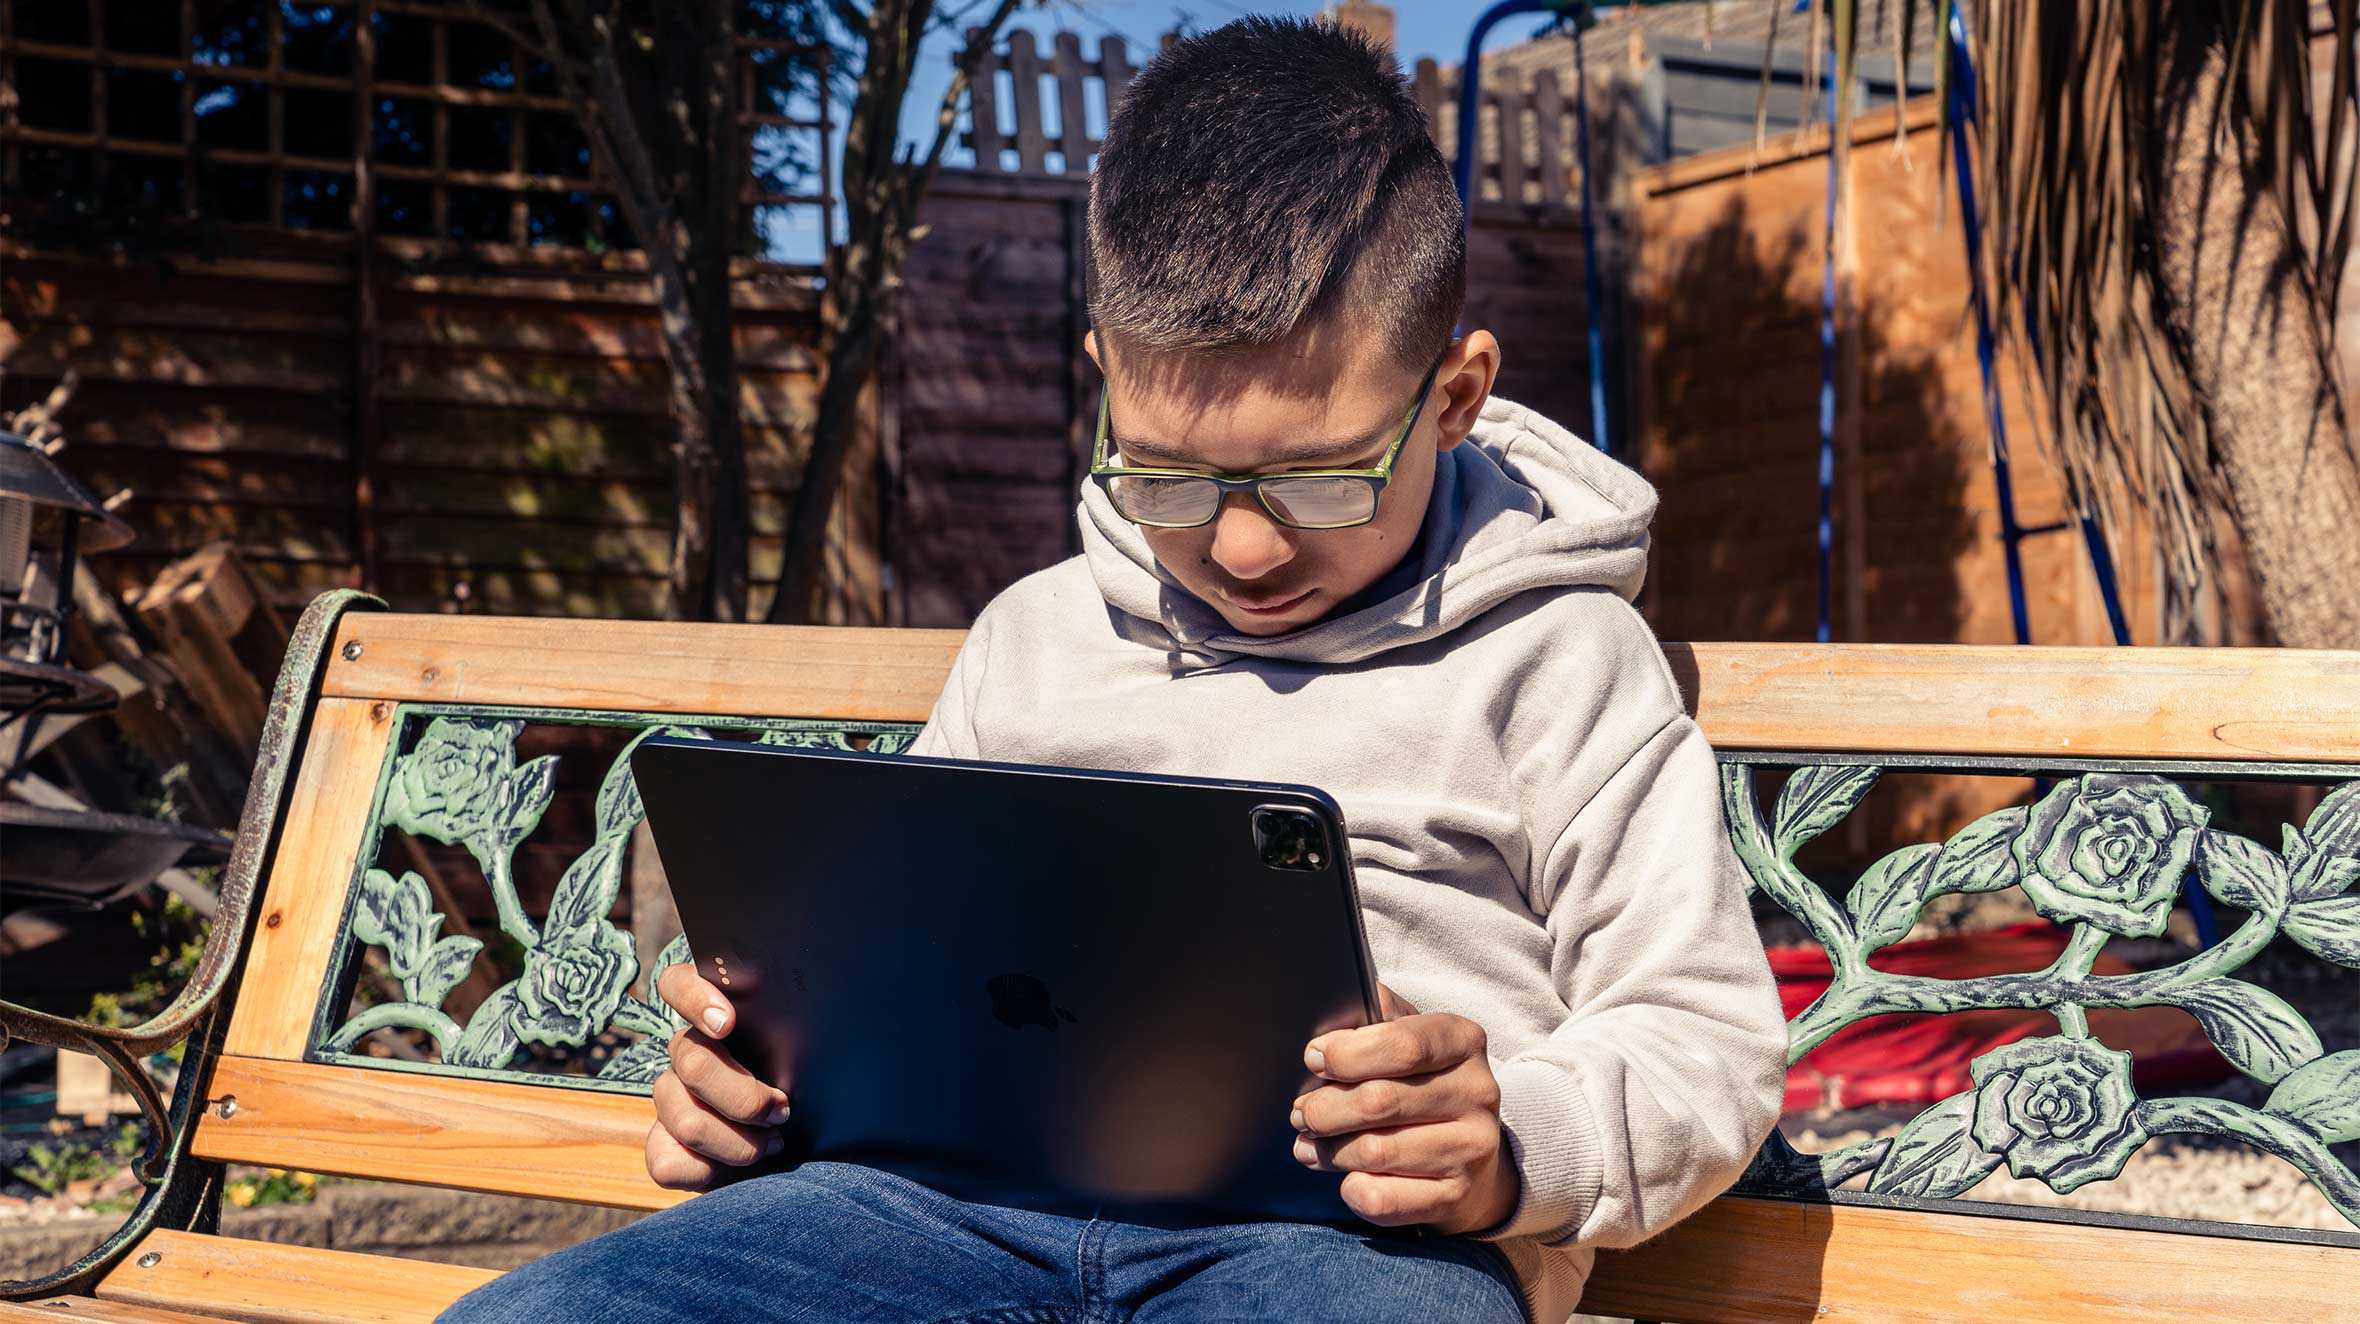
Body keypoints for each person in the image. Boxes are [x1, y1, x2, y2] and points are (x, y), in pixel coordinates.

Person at [445, 17, 1784, 1324]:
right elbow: (890, 967)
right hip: (930, 1211)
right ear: (1103, 382)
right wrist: (759, 1076)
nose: (1246, 544)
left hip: (1342, 1254)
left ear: (1455, 392)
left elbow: (1699, 1041)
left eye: (1321, 480)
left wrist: (1510, 1145)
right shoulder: (1034, 637)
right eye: (1170, 476)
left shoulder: (1561, 660)